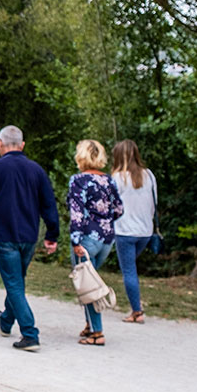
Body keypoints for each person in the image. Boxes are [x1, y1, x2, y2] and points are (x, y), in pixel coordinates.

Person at [0, 125, 60, 352]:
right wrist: (52, 234)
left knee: (14, 283)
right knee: (16, 281)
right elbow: (49, 204)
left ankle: (30, 333)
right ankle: (6, 320)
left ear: (0, 144)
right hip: (29, 236)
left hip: (4, 235)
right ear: (22, 145)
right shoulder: (36, 170)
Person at [67, 140, 124, 346]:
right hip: (107, 240)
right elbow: (119, 209)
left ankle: (97, 333)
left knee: (88, 285)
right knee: (90, 280)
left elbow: (76, 213)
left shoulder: (78, 180)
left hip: (86, 239)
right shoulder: (109, 181)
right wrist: (104, 222)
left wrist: (76, 240)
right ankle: (90, 325)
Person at [110, 139, 158, 324]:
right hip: (145, 231)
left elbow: (111, 205)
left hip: (125, 230)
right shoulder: (149, 175)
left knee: (129, 271)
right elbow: (154, 203)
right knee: (131, 268)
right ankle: (136, 305)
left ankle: (137, 311)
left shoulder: (118, 178)